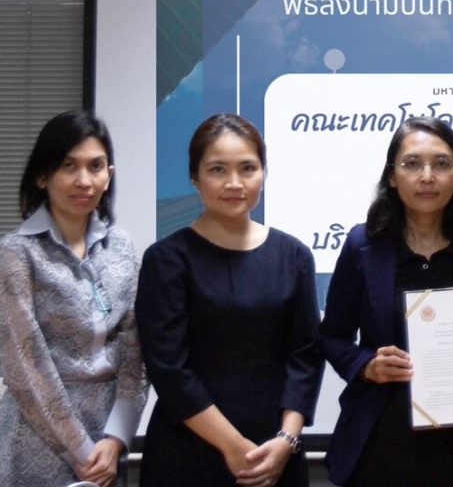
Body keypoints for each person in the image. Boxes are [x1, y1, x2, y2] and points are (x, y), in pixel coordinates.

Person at [319, 116, 453, 487]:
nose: (427, 176)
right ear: (392, 176)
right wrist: (367, 366)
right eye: (412, 164)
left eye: (441, 164)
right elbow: (332, 336)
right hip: (381, 436)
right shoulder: (362, 244)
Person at [136, 113, 322, 487]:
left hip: (276, 452)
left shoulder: (294, 256)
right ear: (194, 177)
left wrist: (286, 440)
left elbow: (305, 358)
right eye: (217, 169)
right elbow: (169, 369)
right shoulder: (166, 260)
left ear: (263, 174)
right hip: (188, 452)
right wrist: (233, 446)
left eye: (248, 168)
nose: (234, 183)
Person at [0, 110, 146, 487]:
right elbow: (23, 364)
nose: (84, 180)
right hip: (35, 438)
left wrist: (116, 440)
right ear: (42, 175)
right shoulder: (16, 253)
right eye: (69, 166)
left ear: (108, 175)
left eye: (95, 166)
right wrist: (82, 452)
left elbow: (136, 350)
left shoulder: (122, 247)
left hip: (109, 439)